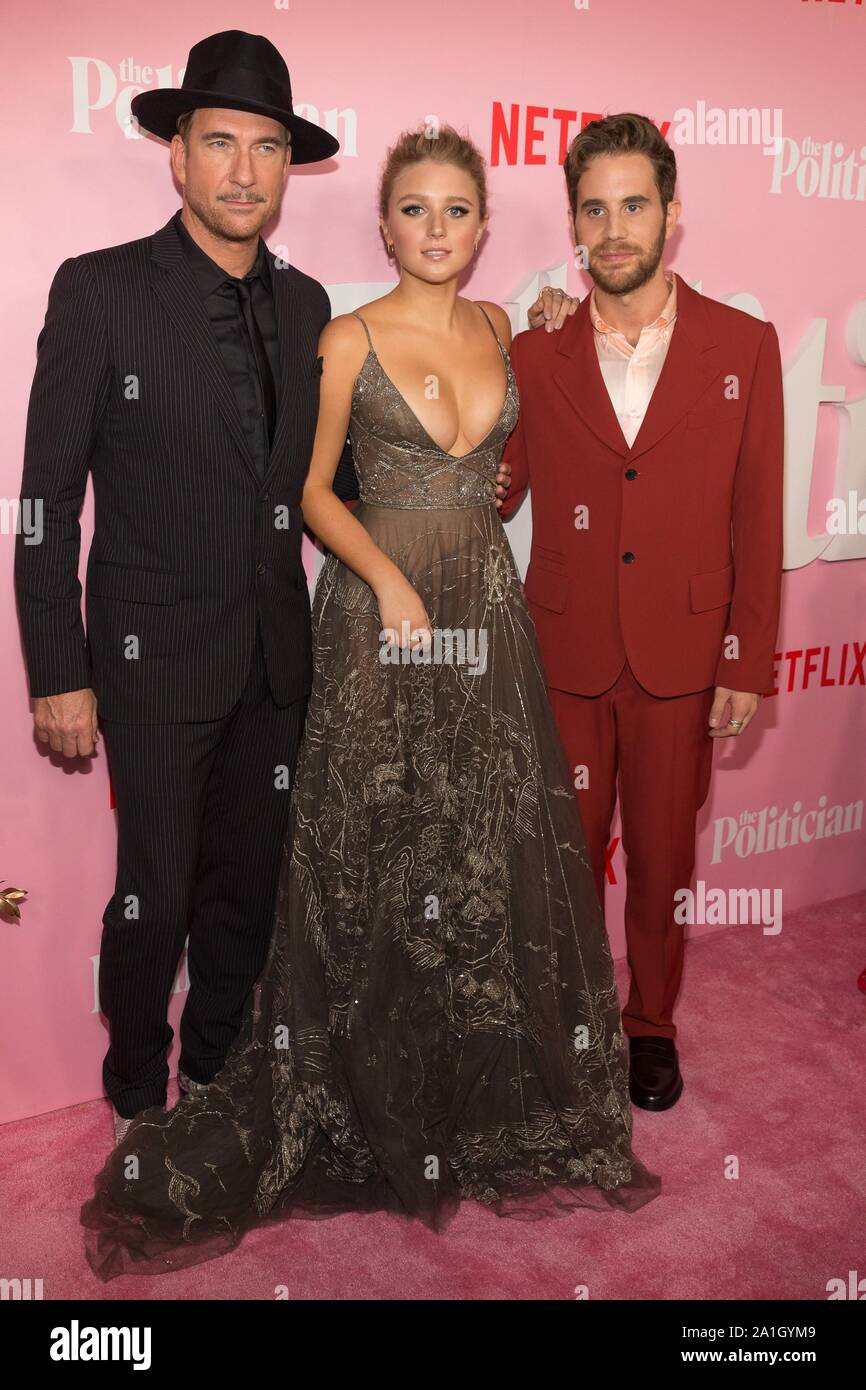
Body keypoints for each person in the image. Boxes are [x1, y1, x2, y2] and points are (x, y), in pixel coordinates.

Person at [80, 124, 661, 1281]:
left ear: (483, 227)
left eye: (457, 211)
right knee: (380, 850)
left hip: (483, 618)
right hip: (382, 623)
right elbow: (302, 488)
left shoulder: (508, 325)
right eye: (414, 210)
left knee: (481, 847)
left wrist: (554, 307)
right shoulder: (343, 339)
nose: (436, 229)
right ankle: (362, 1087)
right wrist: (387, 577)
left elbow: (525, 444)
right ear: (383, 222)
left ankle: (473, 1087)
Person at [13, 30, 518, 1150]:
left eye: (267, 148)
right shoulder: (99, 292)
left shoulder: (307, 311)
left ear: (291, 167)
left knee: (249, 890)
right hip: (149, 664)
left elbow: (344, 484)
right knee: (153, 893)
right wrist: (59, 672)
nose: (244, 170)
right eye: (221, 143)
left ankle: (223, 1067)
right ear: (179, 156)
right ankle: (139, 1091)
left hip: (281, 661)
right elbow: (44, 501)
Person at [498, 113, 785, 1110]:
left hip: (685, 654)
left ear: (671, 214)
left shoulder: (742, 345)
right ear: (572, 222)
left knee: (662, 856)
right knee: (559, 856)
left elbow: (756, 506)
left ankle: (648, 1024)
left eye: (632, 205)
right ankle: (568, 1022)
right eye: (592, 208)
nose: (612, 228)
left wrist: (746, 660)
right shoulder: (536, 351)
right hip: (566, 650)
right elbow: (496, 488)